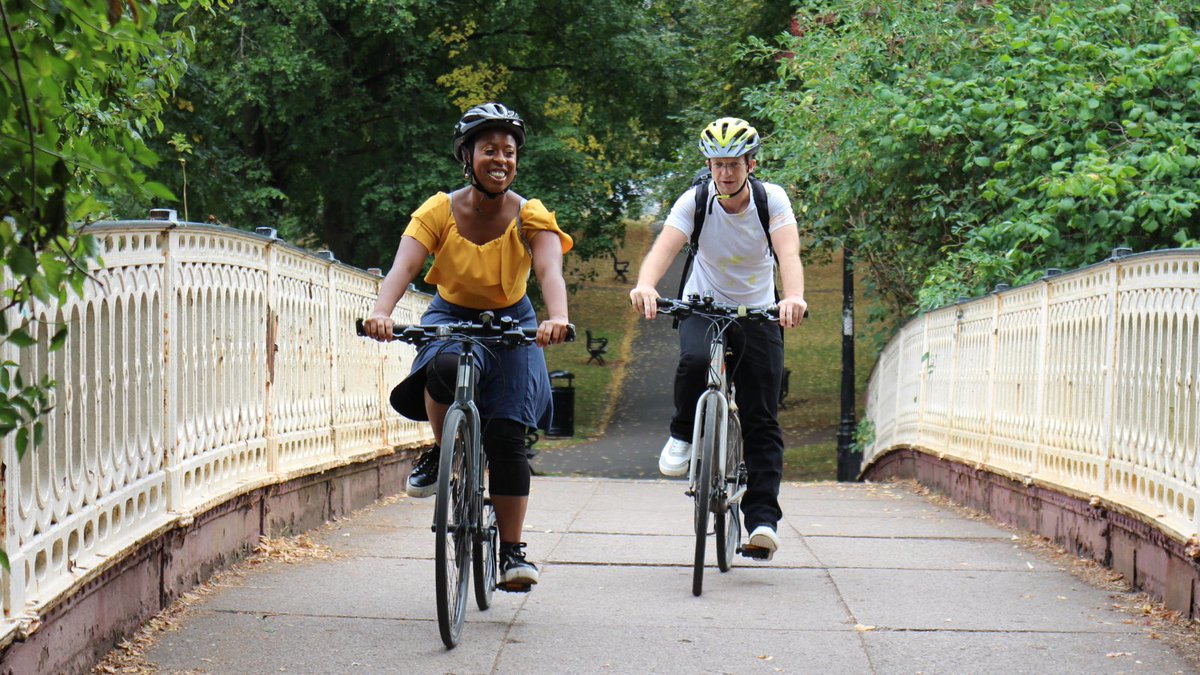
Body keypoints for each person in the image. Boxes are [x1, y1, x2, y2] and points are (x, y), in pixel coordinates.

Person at [362, 102, 572, 591]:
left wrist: (556, 316)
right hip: (450, 315)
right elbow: (404, 268)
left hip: (513, 321)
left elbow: (548, 271)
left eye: (509, 152)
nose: (501, 159)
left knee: (505, 436)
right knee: (443, 365)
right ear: (467, 156)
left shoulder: (530, 214)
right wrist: (382, 311)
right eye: (489, 150)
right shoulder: (439, 210)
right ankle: (442, 448)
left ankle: (513, 552)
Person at [629, 117, 807, 560]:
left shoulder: (771, 200)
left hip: (759, 311)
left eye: (732, 164)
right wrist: (646, 285)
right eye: (716, 164)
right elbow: (665, 249)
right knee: (692, 363)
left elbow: (788, 254)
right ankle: (682, 434)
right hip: (702, 306)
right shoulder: (696, 199)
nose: (724, 173)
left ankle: (762, 521)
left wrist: (795, 298)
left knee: (762, 416)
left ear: (750, 163)